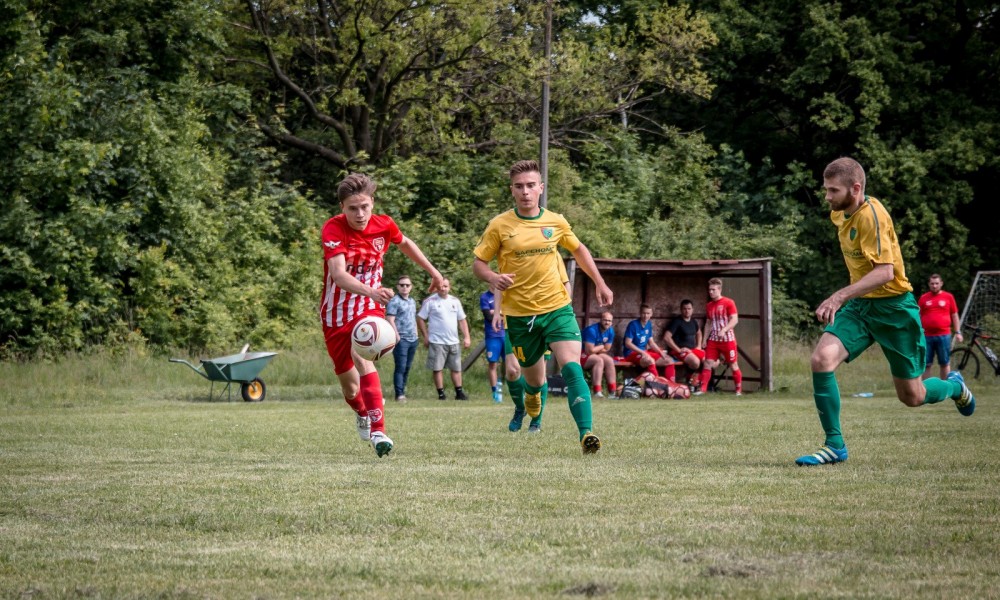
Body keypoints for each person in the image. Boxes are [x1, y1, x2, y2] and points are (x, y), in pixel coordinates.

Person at [795, 157, 975, 466]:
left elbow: (885, 273)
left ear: (856, 188)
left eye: (833, 191)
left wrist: (838, 297)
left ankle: (954, 386)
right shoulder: (840, 214)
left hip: (894, 309)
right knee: (821, 359)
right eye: (825, 190)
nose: (827, 197)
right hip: (863, 306)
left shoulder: (873, 217)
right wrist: (849, 297)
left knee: (912, 397)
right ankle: (834, 445)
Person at [473, 159, 613, 453]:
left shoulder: (555, 221)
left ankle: (586, 434)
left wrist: (600, 283)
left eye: (530, 186)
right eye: (519, 186)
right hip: (521, 317)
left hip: (557, 309)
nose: (525, 191)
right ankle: (532, 404)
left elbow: (579, 250)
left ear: (541, 188)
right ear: (512, 190)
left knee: (572, 368)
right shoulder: (499, 225)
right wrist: (493, 277)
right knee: (533, 383)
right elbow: (479, 263)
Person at [320, 173, 444, 458]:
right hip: (336, 314)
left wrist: (434, 272)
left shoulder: (384, 225)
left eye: (365, 206)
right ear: (342, 207)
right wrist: (372, 291)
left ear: (372, 202)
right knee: (351, 390)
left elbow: (406, 243)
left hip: (368, 309)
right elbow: (338, 275)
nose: (360, 213)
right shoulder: (333, 229)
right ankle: (362, 413)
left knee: (365, 359)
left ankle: (379, 431)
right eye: (353, 208)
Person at [417, 278, 471, 400]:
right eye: (441, 286)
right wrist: (426, 335)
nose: (443, 288)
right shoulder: (430, 301)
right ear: (436, 287)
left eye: (445, 286)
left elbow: (462, 320)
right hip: (437, 341)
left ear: (449, 287)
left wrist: (467, 337)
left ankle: (459, 393)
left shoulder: (455, 301)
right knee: (437, 368)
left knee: (456, 368)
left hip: (454, 341)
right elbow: (420, 318)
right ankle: (441, 394)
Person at [696, 278, 742, 396]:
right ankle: (703, 390)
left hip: (728, 340)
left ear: (719, 289)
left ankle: (738, 391)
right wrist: (705, 339)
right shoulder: (709, 305)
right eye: (709, 290)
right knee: (707, 363)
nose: (711, 292)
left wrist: (724, 329)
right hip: (713, 340)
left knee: (733, 364)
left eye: (713, 290)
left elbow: (735, 320)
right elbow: (708, 323)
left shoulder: (729, 302)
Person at [918, 273, 964, 380]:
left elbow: (954, 315)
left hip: (943, 335)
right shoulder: (923, 298)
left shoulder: (948, 297)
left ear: (941, 284)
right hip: (926, 336)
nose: (934, 286)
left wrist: (958, 332)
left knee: (944, 363)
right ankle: (927, 389)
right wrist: (917, 332)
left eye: (937, 283)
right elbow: (918, 316)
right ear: (929, 284)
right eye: (932, 283)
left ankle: (945, 387)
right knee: (926, 364)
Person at [385, 275, 419, 402]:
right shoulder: (394, 301)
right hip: (401, 339)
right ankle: (399, 394)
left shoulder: (412, 301)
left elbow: (413, 318)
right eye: (402, 285)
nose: (404, 287)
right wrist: (397, 335)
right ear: (398, 286)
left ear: (411, 287)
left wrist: (416, 333)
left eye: (407, 285)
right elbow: (390, 319)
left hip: (413, 339)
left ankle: (402, 390)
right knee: (400, 366)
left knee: (407, 367)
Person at [623, 304, 676, 380]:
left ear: (651, 314)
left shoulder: (648, 324)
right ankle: (658, 385)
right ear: (640, 313)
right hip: (631, 353)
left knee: (669, 360)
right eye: (644, 313)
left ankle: (672, 386)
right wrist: (642, 352)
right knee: (650, 360)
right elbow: (627, 343)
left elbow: (651, 342)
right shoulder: (633, 325)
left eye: (648, 313)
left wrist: (660, 352)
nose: (645, 316)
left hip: (644, 352)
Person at [662, 299, 705, 388]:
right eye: (684, 309)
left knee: (710, 360)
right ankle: (690, 380)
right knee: (695, 362)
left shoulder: (693, 321)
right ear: (681, 310)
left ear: (692, 310)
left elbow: (699, 333)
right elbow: (666, 337)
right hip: (678, 351)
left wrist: (699, 346)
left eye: (689, 308)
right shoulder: (677, 321)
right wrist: (678, 349)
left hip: (692, 350)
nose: (687, 311)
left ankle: (702, 383)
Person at [581, 311, 617, 398]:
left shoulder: (611, 331)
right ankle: (597, 392)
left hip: (594, 352)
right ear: (600, 320)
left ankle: (612, 392)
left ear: (612, 322)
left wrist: (597, 349)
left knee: (609, 360)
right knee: (599, 360)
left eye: (609, 321)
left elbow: (607, 349)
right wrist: (601, 347)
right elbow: (588, 351)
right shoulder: (592, 330)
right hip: (580, 353)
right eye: (605, 320)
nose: (607, 322)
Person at [480, 288, 506, 403]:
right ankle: (495, 391)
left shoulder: (505, 295)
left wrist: (495, 312)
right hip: (492, 336)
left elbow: (510, 314)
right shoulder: (485, 297)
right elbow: (488, 316)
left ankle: (517, 389)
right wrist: (501, 313)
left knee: (512, 363)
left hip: (506, 334)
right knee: (492, 363)